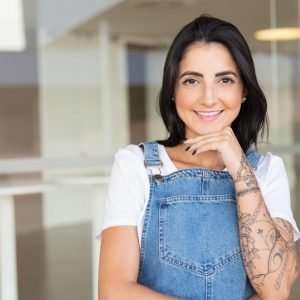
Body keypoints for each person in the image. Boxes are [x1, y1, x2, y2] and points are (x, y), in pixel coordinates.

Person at [98, 15, 299, 299]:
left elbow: (276, 288)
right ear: (173, 91)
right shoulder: (136, 166)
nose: (208, 98)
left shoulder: (267, 171)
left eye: (225, 80)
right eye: (191, 81)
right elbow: (114, 291)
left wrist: (240, 169)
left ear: (243, 91)